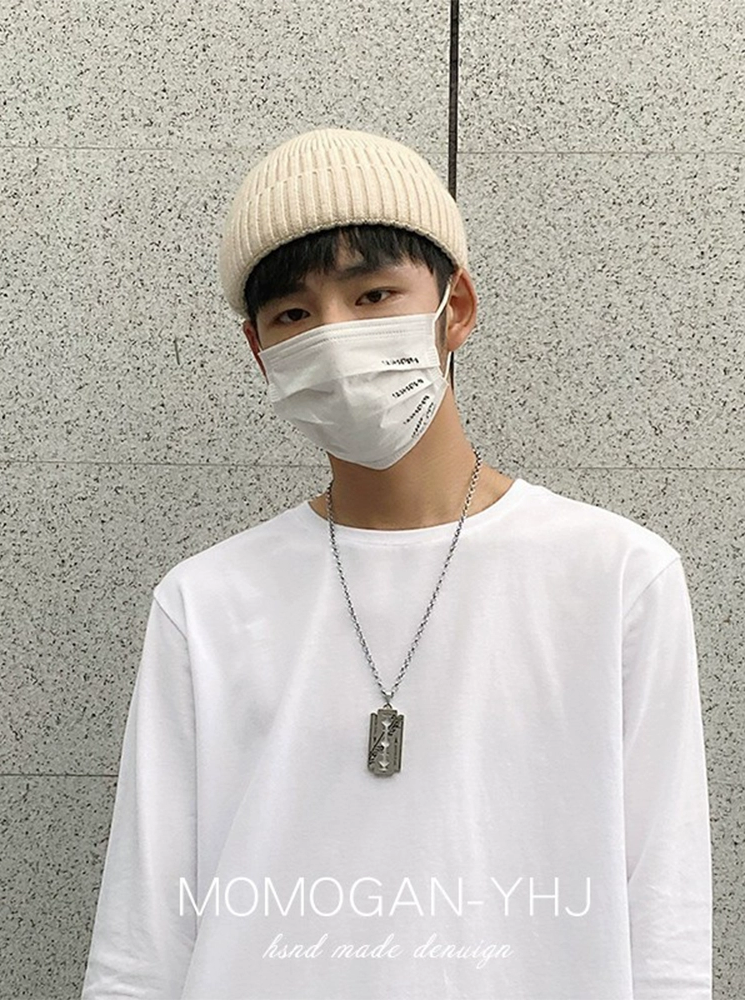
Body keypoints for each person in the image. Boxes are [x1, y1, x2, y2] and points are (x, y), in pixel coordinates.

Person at [81, 127, 712, 999]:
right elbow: (144, 934)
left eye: (373, 294)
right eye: (293, 315)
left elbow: (665, 914)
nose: (335, 337)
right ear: (260, 352)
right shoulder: (207, 600)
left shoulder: (615, 577)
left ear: (456, 307)